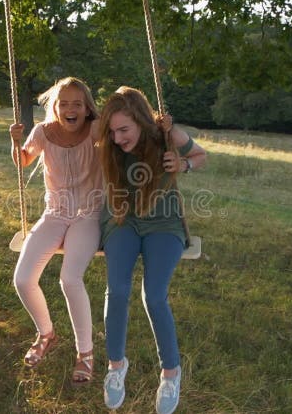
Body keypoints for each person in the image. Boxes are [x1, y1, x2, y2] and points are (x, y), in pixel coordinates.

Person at [97, 86, 207, 414]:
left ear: (142, 121)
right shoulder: (108, 142)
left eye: (124, 130)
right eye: (112, 131)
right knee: (116, 290)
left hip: (164, 225)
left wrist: (182, 165)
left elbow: (201, 156)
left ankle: (171, 373)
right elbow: (70, 127)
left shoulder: (167, 136)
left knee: (154, 295)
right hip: (123, 220)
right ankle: (116, 366)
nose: (117, 138)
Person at [8, 77, 103, 385]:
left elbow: (131, 135)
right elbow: (23, 160)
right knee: (23, 279)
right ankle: (46, 334)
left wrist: (163, 129)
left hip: (88, 215)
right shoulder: (43, 132)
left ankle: (85, 354)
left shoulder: (97, 130)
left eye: (77, 103)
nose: (70, 109)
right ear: (55, 107)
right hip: (54, 214)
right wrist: (15, 141)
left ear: (87, 108)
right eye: (64, 103)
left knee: (69, 279)